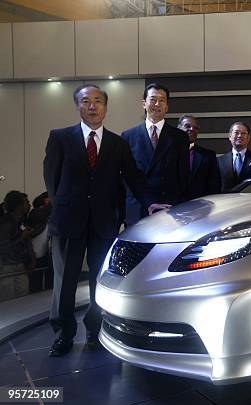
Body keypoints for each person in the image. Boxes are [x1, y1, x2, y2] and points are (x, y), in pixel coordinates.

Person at [43, 84, 168, 357]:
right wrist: (64, 206)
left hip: (104, 222)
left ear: (105, 106)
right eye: (86, 101)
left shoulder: (117, 143)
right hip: (68, 222)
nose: (92, 106)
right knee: (65, 281)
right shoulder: (60, 137)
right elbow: (51, 180)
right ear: (78, 106)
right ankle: (63, 333)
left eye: (98, 101)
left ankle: (94, 329)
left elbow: (134, 177)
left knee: (101, 280)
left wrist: (150, 203)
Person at [121, 83, 189, 225]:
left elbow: (183, 176)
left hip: (168, 209)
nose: (157, 104)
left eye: (162, 100)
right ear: (144, 104)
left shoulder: (179, 137)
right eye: (152, 99)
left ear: (167, 106)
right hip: (138, 207)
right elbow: (126, 178)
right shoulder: (128, 136)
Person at [177, 115, 221, 199]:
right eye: (187, 126)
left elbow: (214, 187)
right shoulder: (169, 152)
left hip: (200, 207)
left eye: (195, 128)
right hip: (173, 207)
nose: (192, 129)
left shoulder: (208, 156)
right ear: (179, 128)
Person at [218, 122, 251, 193]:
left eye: (243, 133)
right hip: (226, 201)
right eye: (236, 132)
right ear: (230, 136)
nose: (240, 136)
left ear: (248, 138)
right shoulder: (220, 161)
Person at [0, 190, 35, 271]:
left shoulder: (20, 222)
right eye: (26, 202)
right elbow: (3, 248)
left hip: (20, 266)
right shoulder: (6, 224)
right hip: (8, 268)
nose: (29, 205)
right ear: (19, 206)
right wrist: (22, 237)